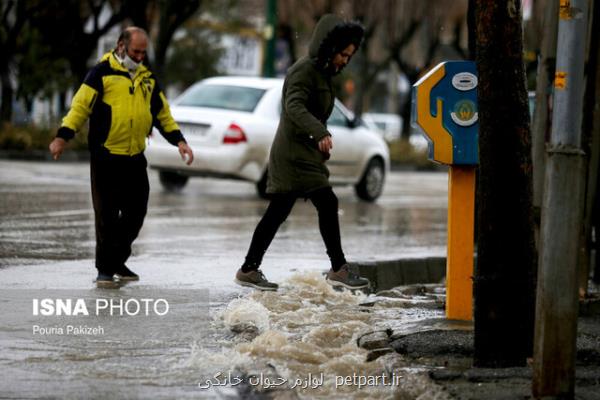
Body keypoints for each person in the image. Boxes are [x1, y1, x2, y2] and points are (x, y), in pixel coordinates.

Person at [49, 27, 194, 288]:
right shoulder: (101, 73)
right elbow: (80, 107)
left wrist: (180, 141)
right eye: (135, 51)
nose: (139, 57)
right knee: (106, 216)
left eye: (143, 52)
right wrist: (62, 137)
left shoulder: (147, 78)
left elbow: (163, 114)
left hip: (134, 156)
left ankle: (116, 259)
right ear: (121, 45)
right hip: (106, 155)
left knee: (136, 213)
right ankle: (105, 270)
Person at [234, 15, 369, 291]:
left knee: (279, 212)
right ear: (329, 47)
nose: (345, 61)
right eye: (343, 54)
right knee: (324, 203)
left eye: (349, 56)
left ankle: (249, 268)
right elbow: (293, 107)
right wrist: (319, 132)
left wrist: (319, 138)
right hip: (294, 154)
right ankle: (338, 268)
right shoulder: (303, 71)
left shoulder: (323, 74)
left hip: (305, 153)